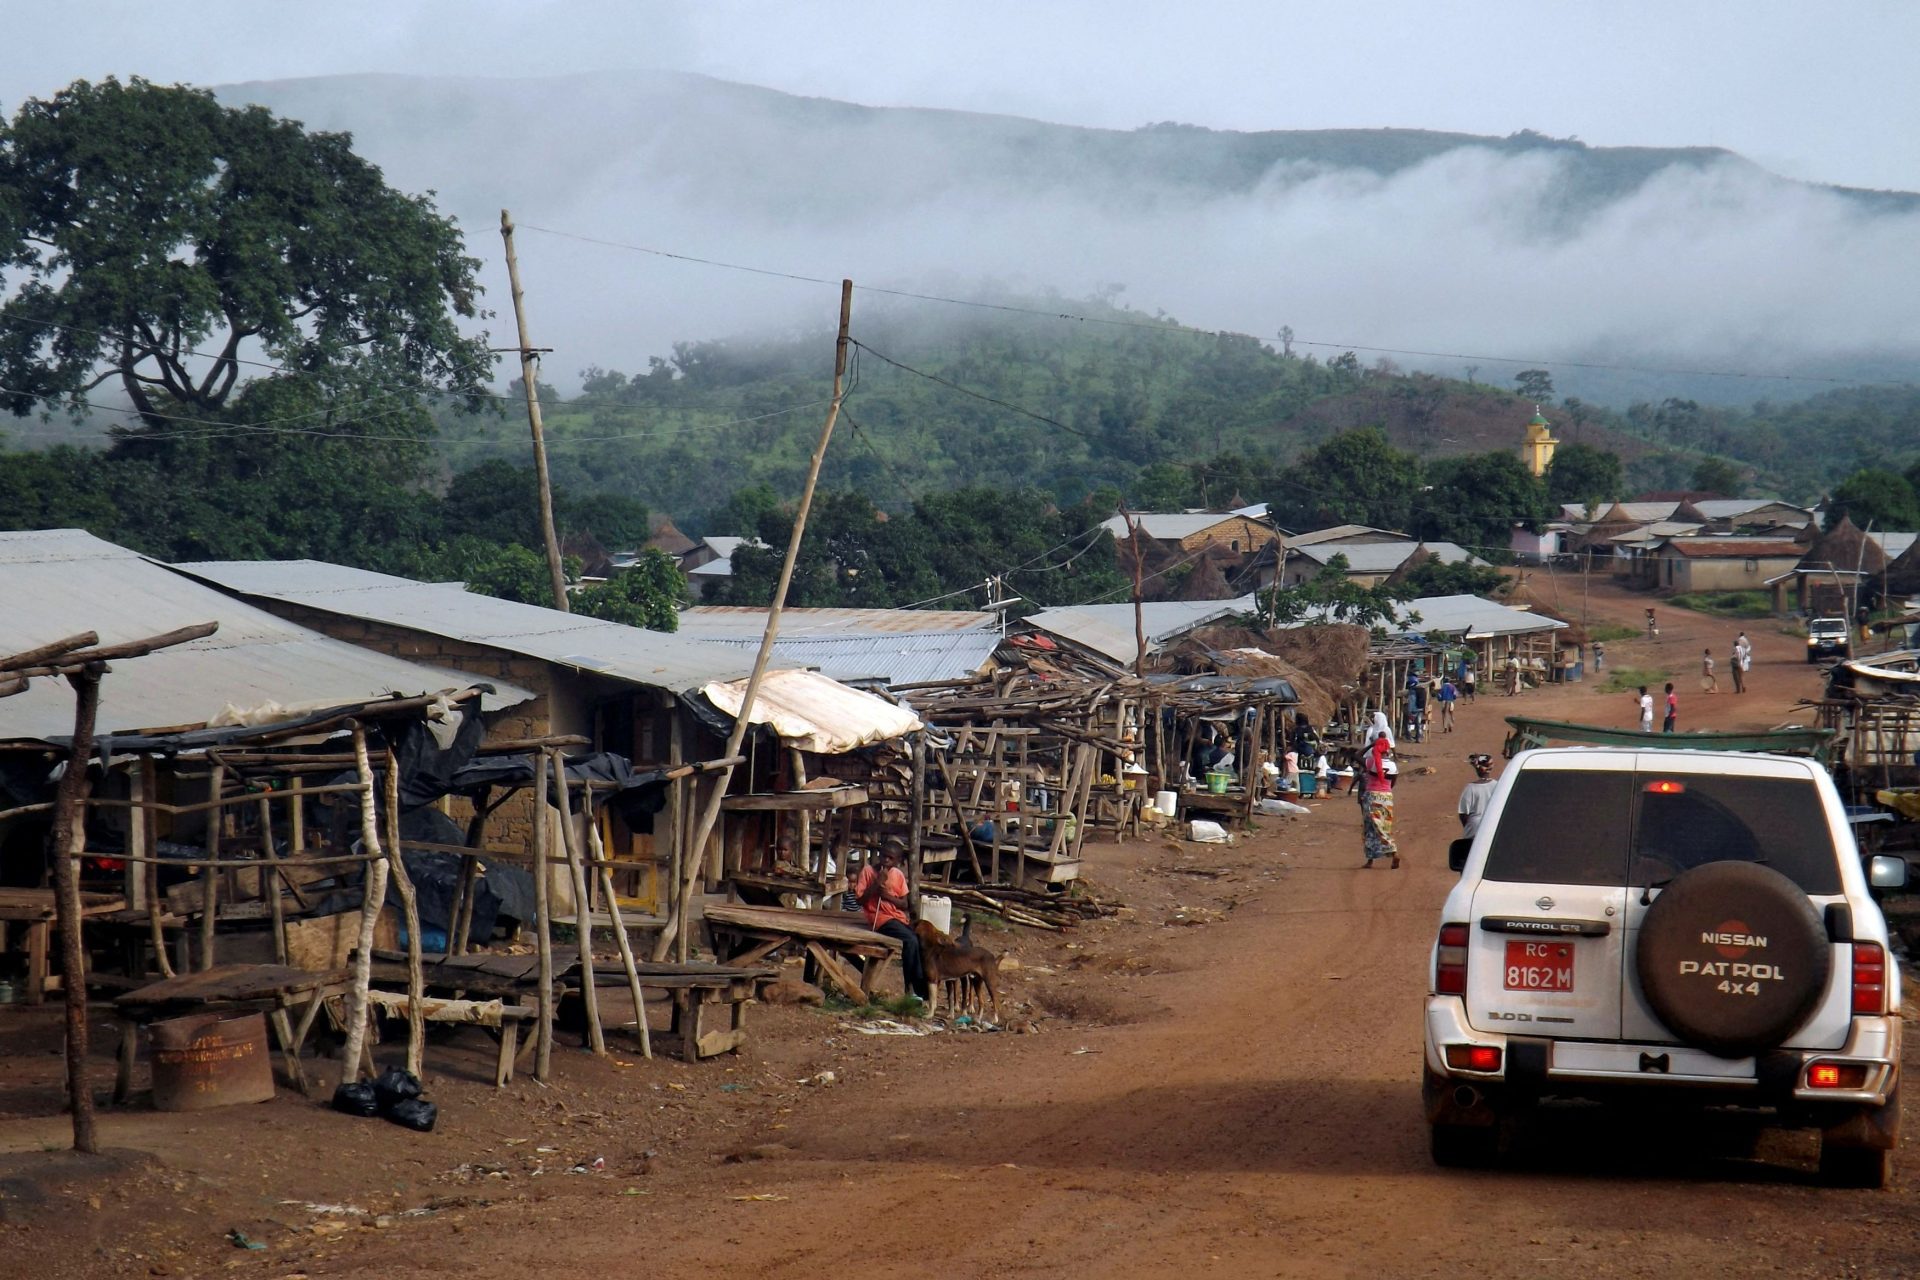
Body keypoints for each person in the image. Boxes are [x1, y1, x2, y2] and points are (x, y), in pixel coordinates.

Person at [853, 841, 930, 1003]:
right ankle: (911, 989)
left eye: (890, 858)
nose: (886, 860)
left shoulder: (898, 875)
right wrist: (876, 884)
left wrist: (887, 896)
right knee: (910, 941)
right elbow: (860, 900)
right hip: (879, 919)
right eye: (884, 856)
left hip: (897, 917)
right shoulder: (868, 872)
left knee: (920, 940)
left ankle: (923, 987)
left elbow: (904, 904)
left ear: (897, 861)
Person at [1359, 730, 1399, 870]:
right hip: (1387, 797)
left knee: (1370, 828)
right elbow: (1393, 783)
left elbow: (1357, 756)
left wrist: (1371, 746)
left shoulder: (1371, 762)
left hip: (1372, 796)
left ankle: (1372, 859)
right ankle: (1391, 854)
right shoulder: (1393, 766)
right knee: (1384, 826)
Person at [1457, 753, 1498, 840]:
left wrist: (1469, 828)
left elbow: (1463, 814)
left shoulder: (1470, 788)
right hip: (1493, 826)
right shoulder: (1498, 785)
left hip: (1474, 830)